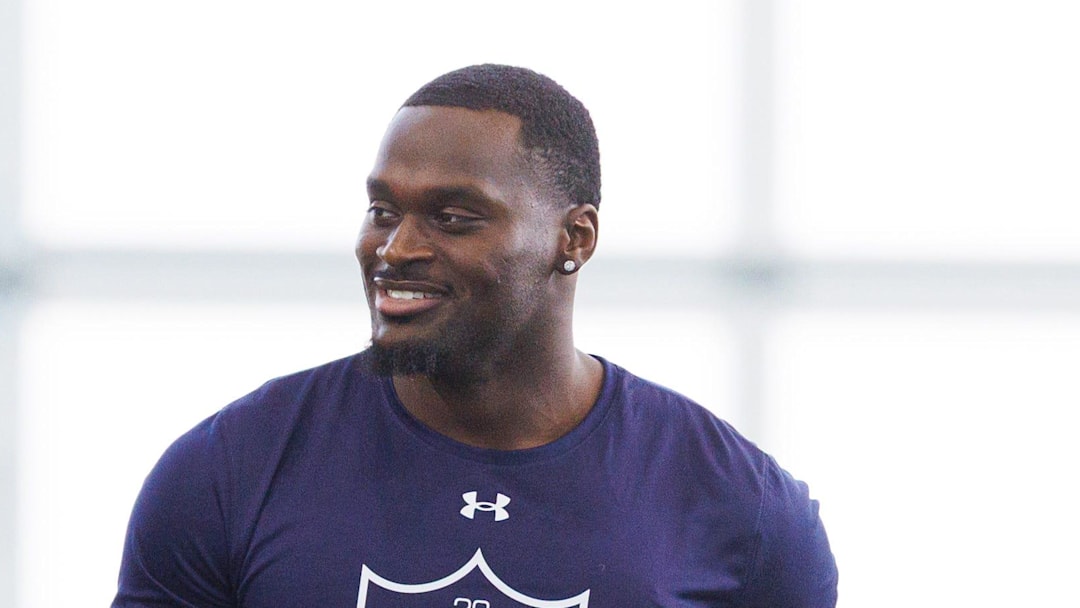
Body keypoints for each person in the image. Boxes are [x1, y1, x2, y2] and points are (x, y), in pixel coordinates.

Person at [113, 64, 838, 607]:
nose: (395, 249)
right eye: (382, 210)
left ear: (573, 238)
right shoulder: (227, 473)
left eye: (452, 217)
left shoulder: (743, 511)